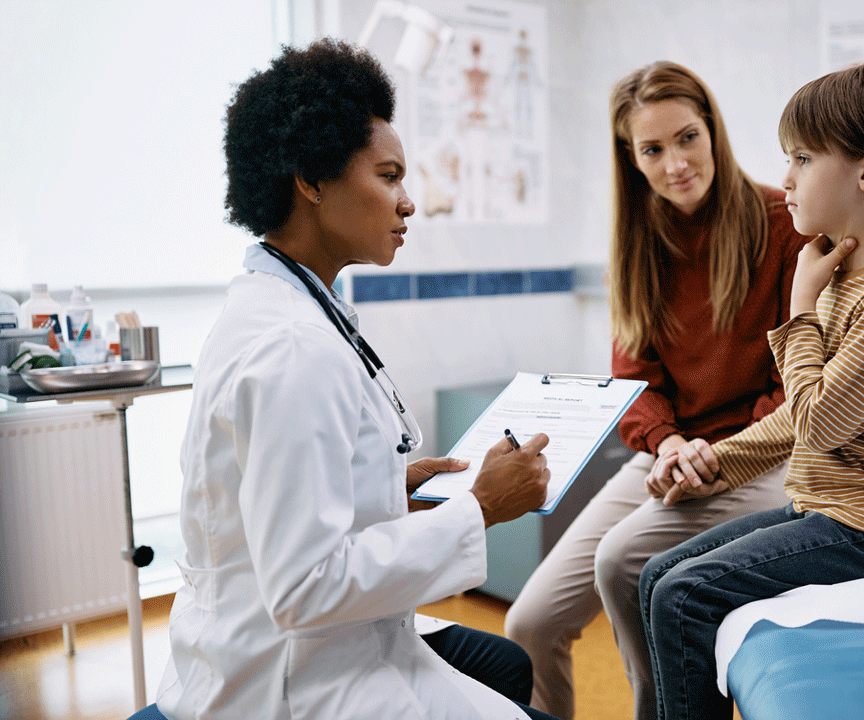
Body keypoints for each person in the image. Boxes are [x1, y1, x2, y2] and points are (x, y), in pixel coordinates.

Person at [155, 39, 561, 720]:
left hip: (307, 645)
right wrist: (479, 508)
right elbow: (305, 587)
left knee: (505, 672)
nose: (408, 204)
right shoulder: (292, 347)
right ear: (312, 180)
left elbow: (283, 491)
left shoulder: (285, 304)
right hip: (289, 684)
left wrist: (382, 488)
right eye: (390, 176)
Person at [639, 59, 864, 720]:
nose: (785, 178)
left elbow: (817, 424)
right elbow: (798, 419)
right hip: (832, 509)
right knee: (653, 578)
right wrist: (713, 466)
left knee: (683, 596)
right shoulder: (846, 271)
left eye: (803, 158)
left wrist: (801, 307)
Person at [504, 60, 812, 720]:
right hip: (671, 451)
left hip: (761, 455)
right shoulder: (640, 241)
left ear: (713, 131)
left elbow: (796, 387)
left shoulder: (783, 223)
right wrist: (669, 442)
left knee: (621, 562)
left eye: (687, 137)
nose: (675, 163)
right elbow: (635, 379)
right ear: (631, 158)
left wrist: (718, 458)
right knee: (529, 623)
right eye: (653, 148)